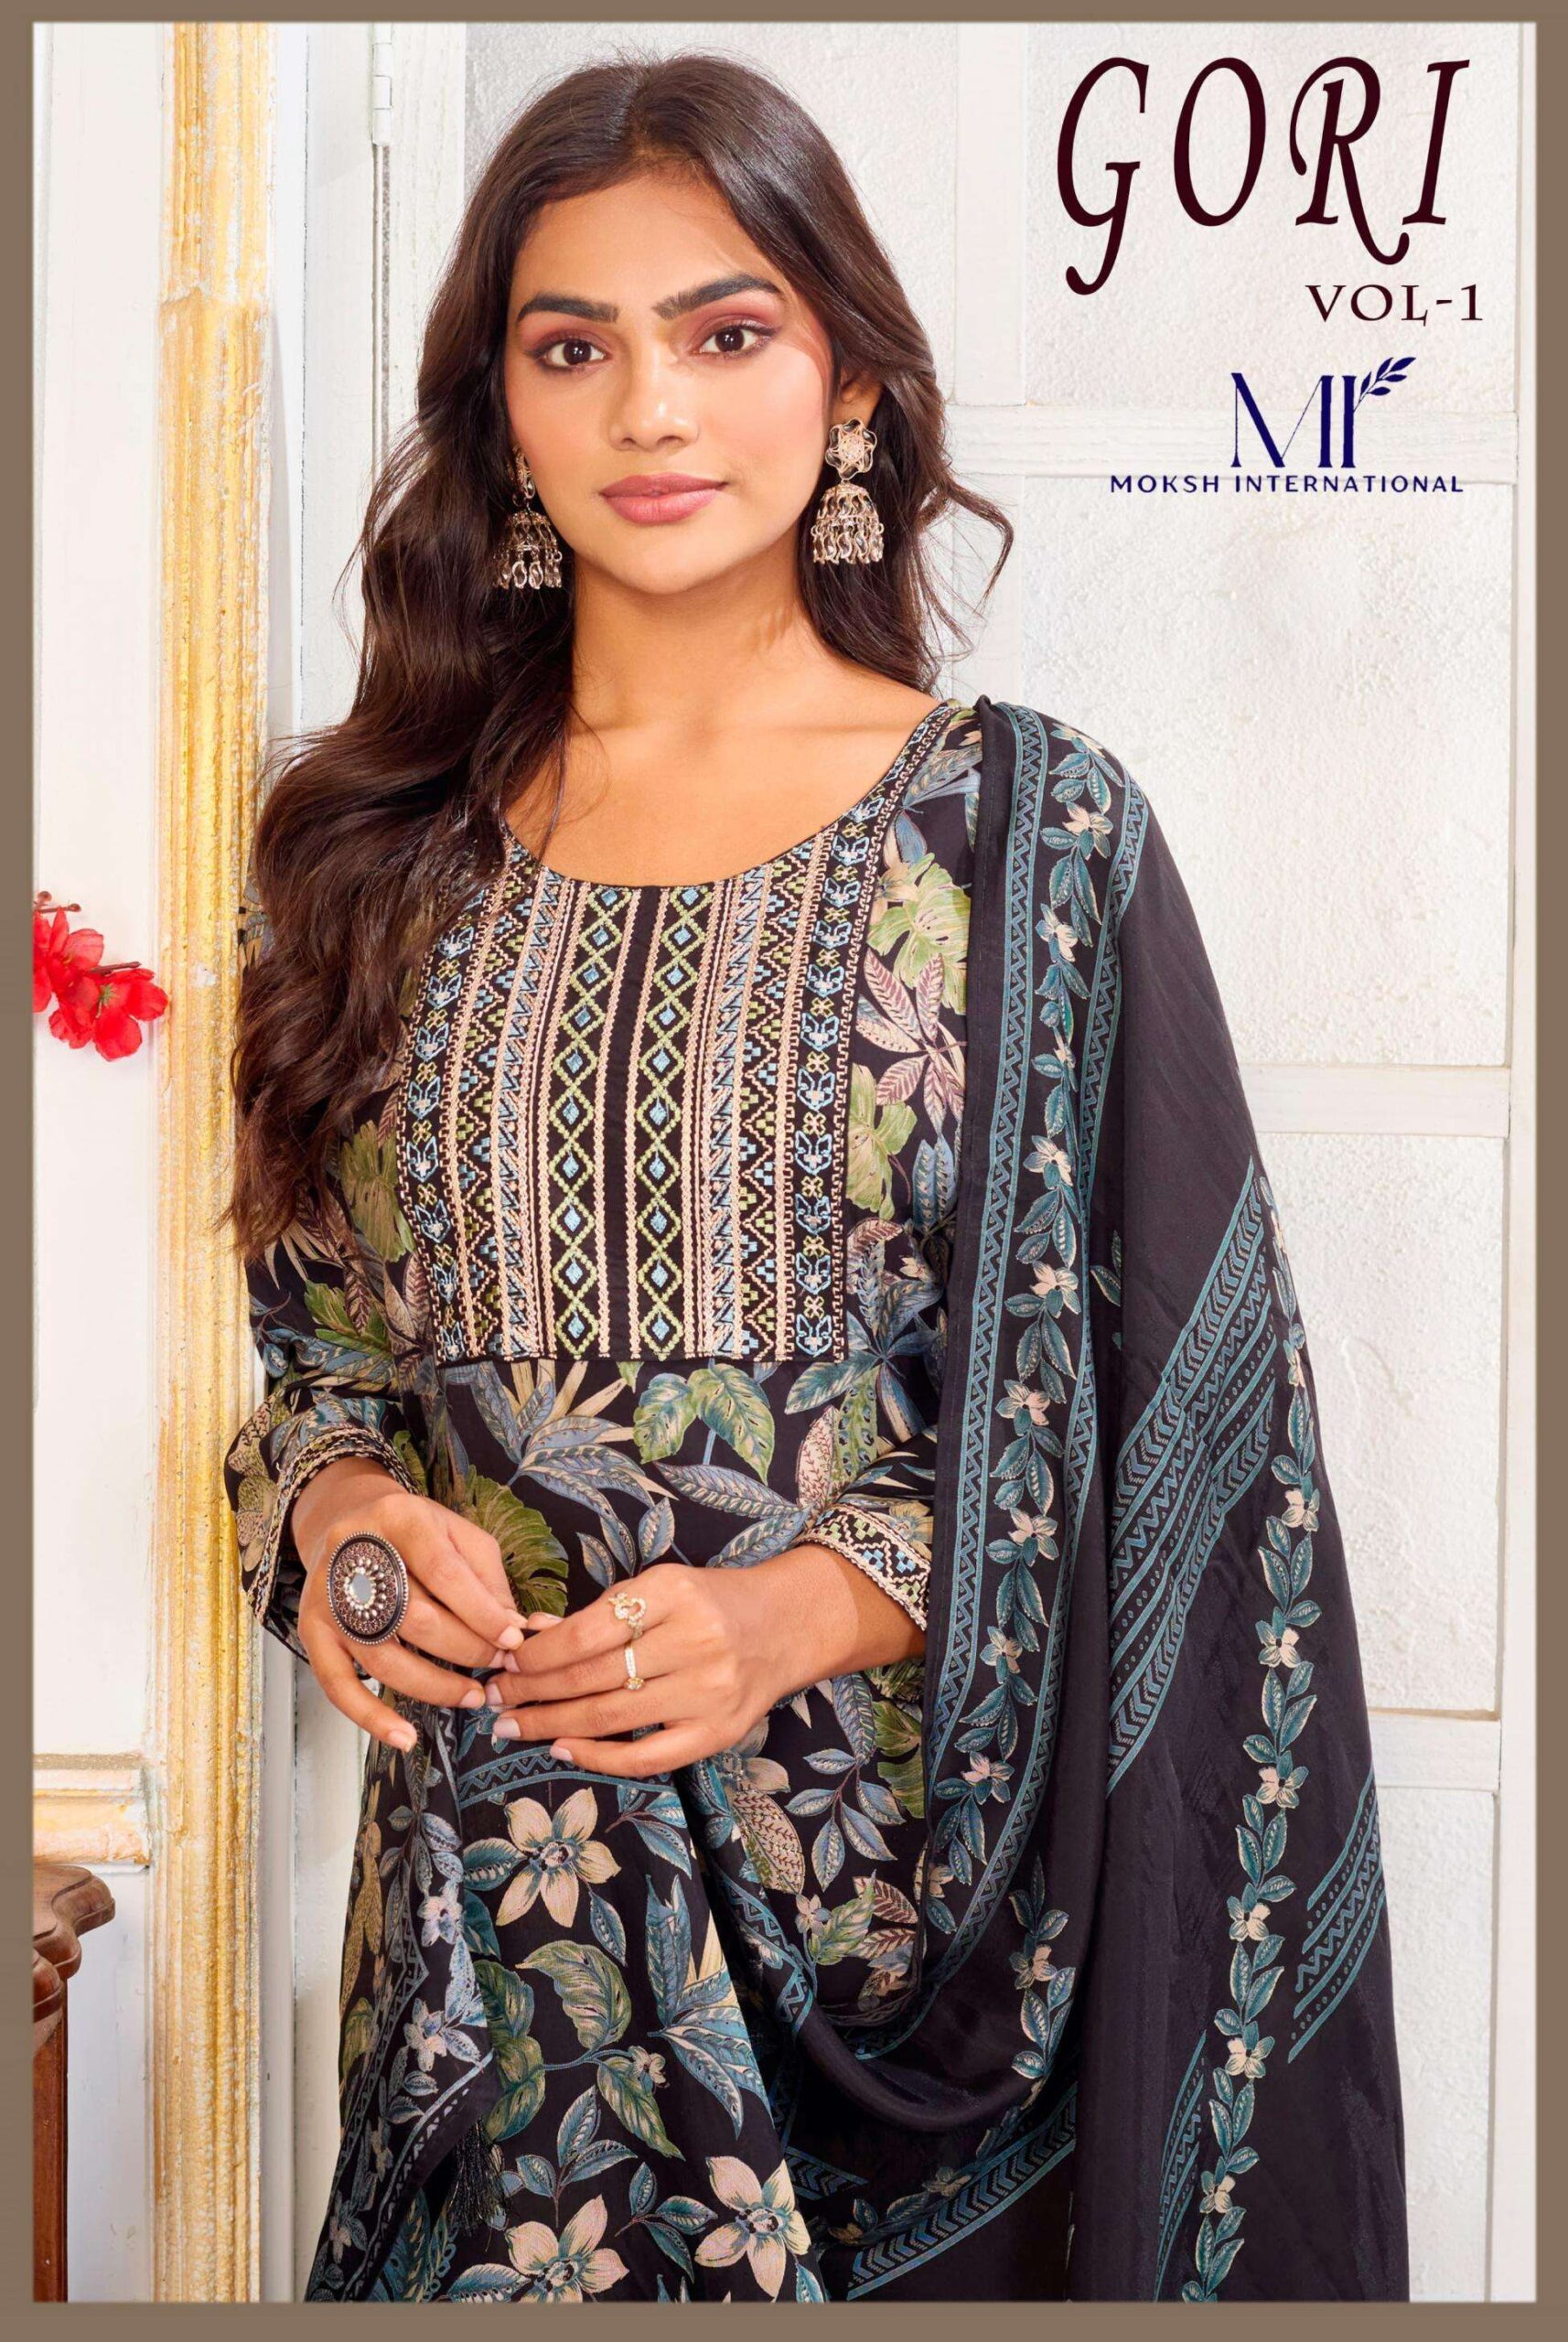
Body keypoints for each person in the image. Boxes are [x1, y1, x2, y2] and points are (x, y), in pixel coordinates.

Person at [221, 50, 1409, 2304]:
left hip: (924, 1978)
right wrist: (342, 1528)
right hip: (505, 1984)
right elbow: (317, 1372)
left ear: (846, 383)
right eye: (571, 347)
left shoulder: (1028, 837)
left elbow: (1156, 1436)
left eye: (726, 329)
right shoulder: (372, 851)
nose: (650, 407)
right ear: (500, 416)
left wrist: (809, 1602)